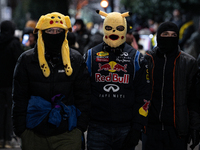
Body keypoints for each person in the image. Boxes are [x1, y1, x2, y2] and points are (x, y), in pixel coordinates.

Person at [12, 12, 91, 150]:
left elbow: (84, 96)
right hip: (34, 133)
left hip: (68, 133)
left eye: (58, 31)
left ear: (65, 33)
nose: (54, 34)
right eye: (50, 31)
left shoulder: (76, 60)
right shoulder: (26, 60)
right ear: (41, 33)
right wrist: (21, 130)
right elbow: (19, 96)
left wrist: (80, 127)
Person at [85, 10, 151, 150]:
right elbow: (82, 90)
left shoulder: (136, 59)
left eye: (119, 28)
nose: (114, 31)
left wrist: (136, 128)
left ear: (125, 29)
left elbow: (144, 94)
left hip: (126, 127)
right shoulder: (91, 56)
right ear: (104, 28)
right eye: (109, 27)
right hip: (97, 127)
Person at [143, 21, 199, 150]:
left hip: (176, 131)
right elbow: (139, 94)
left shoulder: (189, 63)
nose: (169, 38)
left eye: (173, 35)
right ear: (158, 36)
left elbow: (193, 99)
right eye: (165, 34)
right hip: (150, 129)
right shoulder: (147, 60)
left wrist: (195, 127)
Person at [0, 20, 23, 148]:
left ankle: (0, 138)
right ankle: (8, 139)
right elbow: (19, 63)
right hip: (10, 83)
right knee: (9, 110)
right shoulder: (14, 43)